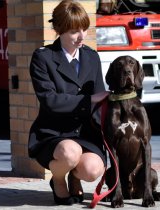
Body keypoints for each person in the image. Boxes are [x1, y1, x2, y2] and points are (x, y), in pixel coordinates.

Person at [28, 0, 109, 206]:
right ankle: (58, 180)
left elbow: (100, 102)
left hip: (85, 134)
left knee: (92, 170)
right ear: (59, 29)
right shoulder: (43, 57)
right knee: (69, 152)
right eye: (74, 31)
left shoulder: (92, 57)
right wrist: (88, 99)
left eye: (84, 29)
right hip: (54, 135)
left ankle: (75, 176)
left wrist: (109, 133)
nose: (82, 36)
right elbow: (50, 101)